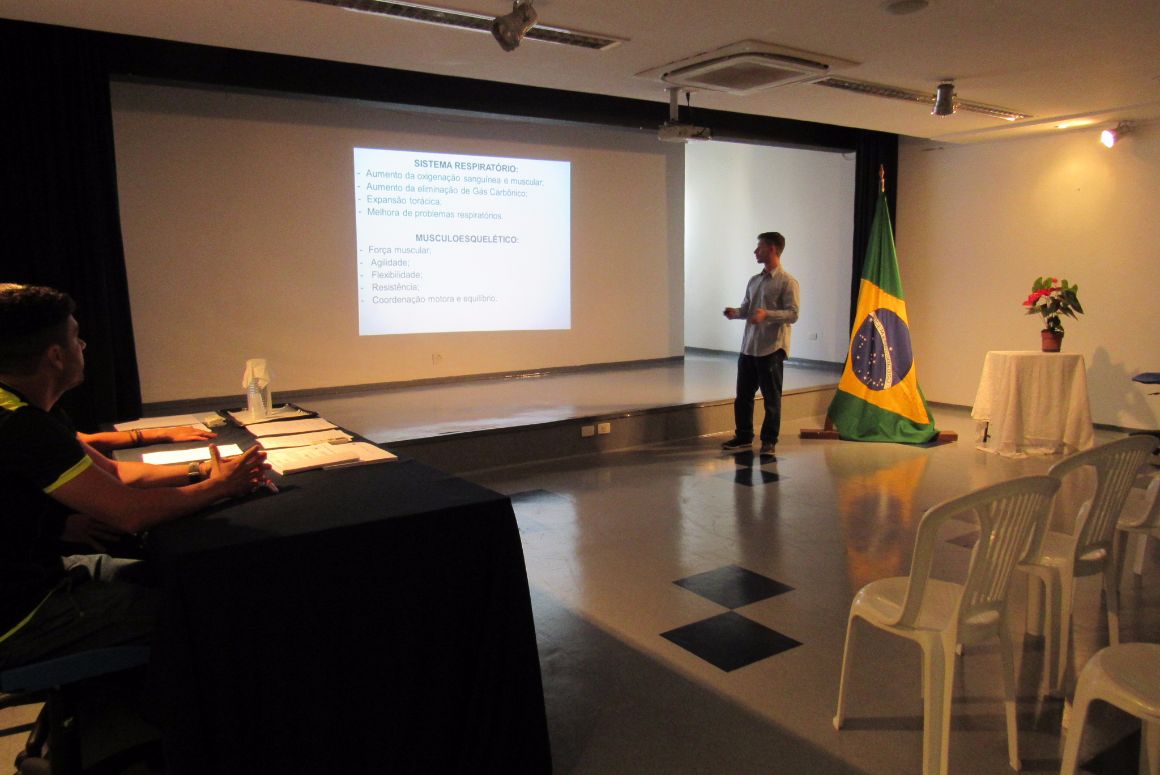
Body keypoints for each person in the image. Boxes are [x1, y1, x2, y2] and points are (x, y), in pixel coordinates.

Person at [0, 283, 270, 670]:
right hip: (24, 616)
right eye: (76, 337)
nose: (83, 346)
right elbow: (129, 513)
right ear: (55, 356)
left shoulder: (19, 405)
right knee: (205, 608)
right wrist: (220, 487)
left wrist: (203, 470)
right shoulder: (22, 425)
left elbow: (115, 472)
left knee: (187, 577)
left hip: (42, 576)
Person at [721, 232, 800, 456]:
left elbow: (793, 314)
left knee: (771, 399)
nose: (755, 252)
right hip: (749, 347)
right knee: (743, 397)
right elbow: (747, 309)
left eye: (760, 247)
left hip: (771, 349)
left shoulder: (788, 282)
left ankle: (769, 441)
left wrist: (767, 315)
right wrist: (736, 313)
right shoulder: (754, 281)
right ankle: (743, 436)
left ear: (772, 249)